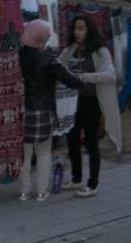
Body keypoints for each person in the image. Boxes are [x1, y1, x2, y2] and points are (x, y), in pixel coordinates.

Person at [18, 19, 84, 201]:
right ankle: (41, 191)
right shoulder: (48, 58)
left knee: (24, 152)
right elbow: (71, 80)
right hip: (43, 109)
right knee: (44, 151)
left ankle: (24, 192)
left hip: (22, 110)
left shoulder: (18, 55)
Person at [58, 15, 120, 197]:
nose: (77, 32)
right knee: (72, 139)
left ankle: (92, 184)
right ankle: (76, 178)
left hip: (92, 101)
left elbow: (110, 75)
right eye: (75, 28)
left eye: (81, 28)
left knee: (91, 142)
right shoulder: (70, 49)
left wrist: (85, 77)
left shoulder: (100, 51)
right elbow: (59, 67)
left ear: (89, 30)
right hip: (72, 101)